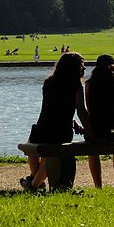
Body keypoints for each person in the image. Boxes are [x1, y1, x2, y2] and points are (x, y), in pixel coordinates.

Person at [20, 52, 93, 192]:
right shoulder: (76, 85)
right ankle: (34, 186)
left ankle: (36, 183)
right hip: (61, 132)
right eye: (82, 66)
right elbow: (81, 111)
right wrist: (89, 131)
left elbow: (53, 108)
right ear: (73, 68)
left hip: (41, 129)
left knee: (34, 148)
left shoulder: (48, 82)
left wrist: (73, 121)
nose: (84, 69)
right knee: (49, 155)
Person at [85, 54, 114, 188]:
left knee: (93, 151)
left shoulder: (89, 84)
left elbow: (89, 109)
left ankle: (98, 185)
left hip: (95, 128)